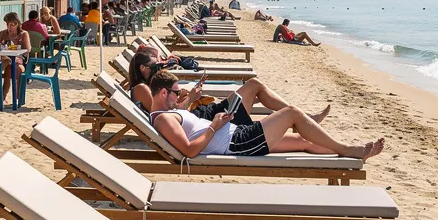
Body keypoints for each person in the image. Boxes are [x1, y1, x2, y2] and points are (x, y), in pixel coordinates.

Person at [147, 70, 383, 160]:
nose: (179, 95)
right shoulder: (164, 118)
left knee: (303, 141)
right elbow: (189, 150)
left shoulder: (168, 112)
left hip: (238, 134)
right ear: (164, 92)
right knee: (291, 113)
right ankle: (349, 149)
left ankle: (350, 152)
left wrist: (188, 104)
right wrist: (214, 126)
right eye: (176, 92)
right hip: (237, 142)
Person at [127, 51, 328, 123]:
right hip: (204, 119)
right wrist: (190, 99)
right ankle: (303, 118)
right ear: (143, 68)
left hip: (202, 114)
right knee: (254, 86)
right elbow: (165, 117)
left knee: (254, 90)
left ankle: (302, 118)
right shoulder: (141, 89)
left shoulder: (146, 87)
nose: (159, 66)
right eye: (155, 65)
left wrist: (181, 97)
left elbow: (167, 109)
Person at [0, 12, 31, 102]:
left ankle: (5, 98)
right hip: (6, 59)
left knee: (10, 69)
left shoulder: (23, 34)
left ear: (17, 24)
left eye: (11, 25)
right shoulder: (4, 33)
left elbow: (27, 49)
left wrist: (13, 47)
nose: (9, 27)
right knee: (3, 68)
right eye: (8, 24)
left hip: (19, 59)